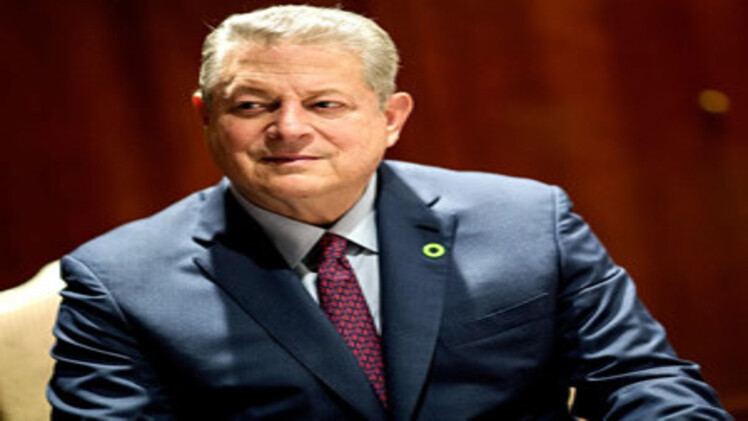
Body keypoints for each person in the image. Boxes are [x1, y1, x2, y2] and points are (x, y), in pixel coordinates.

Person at [48, 5, 731, 420]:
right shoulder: (120, 281)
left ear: (391, 117)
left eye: (325, 104)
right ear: (207, 117)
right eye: (253, 105)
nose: (290, 129)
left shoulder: (528, 221)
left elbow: (639, 380)